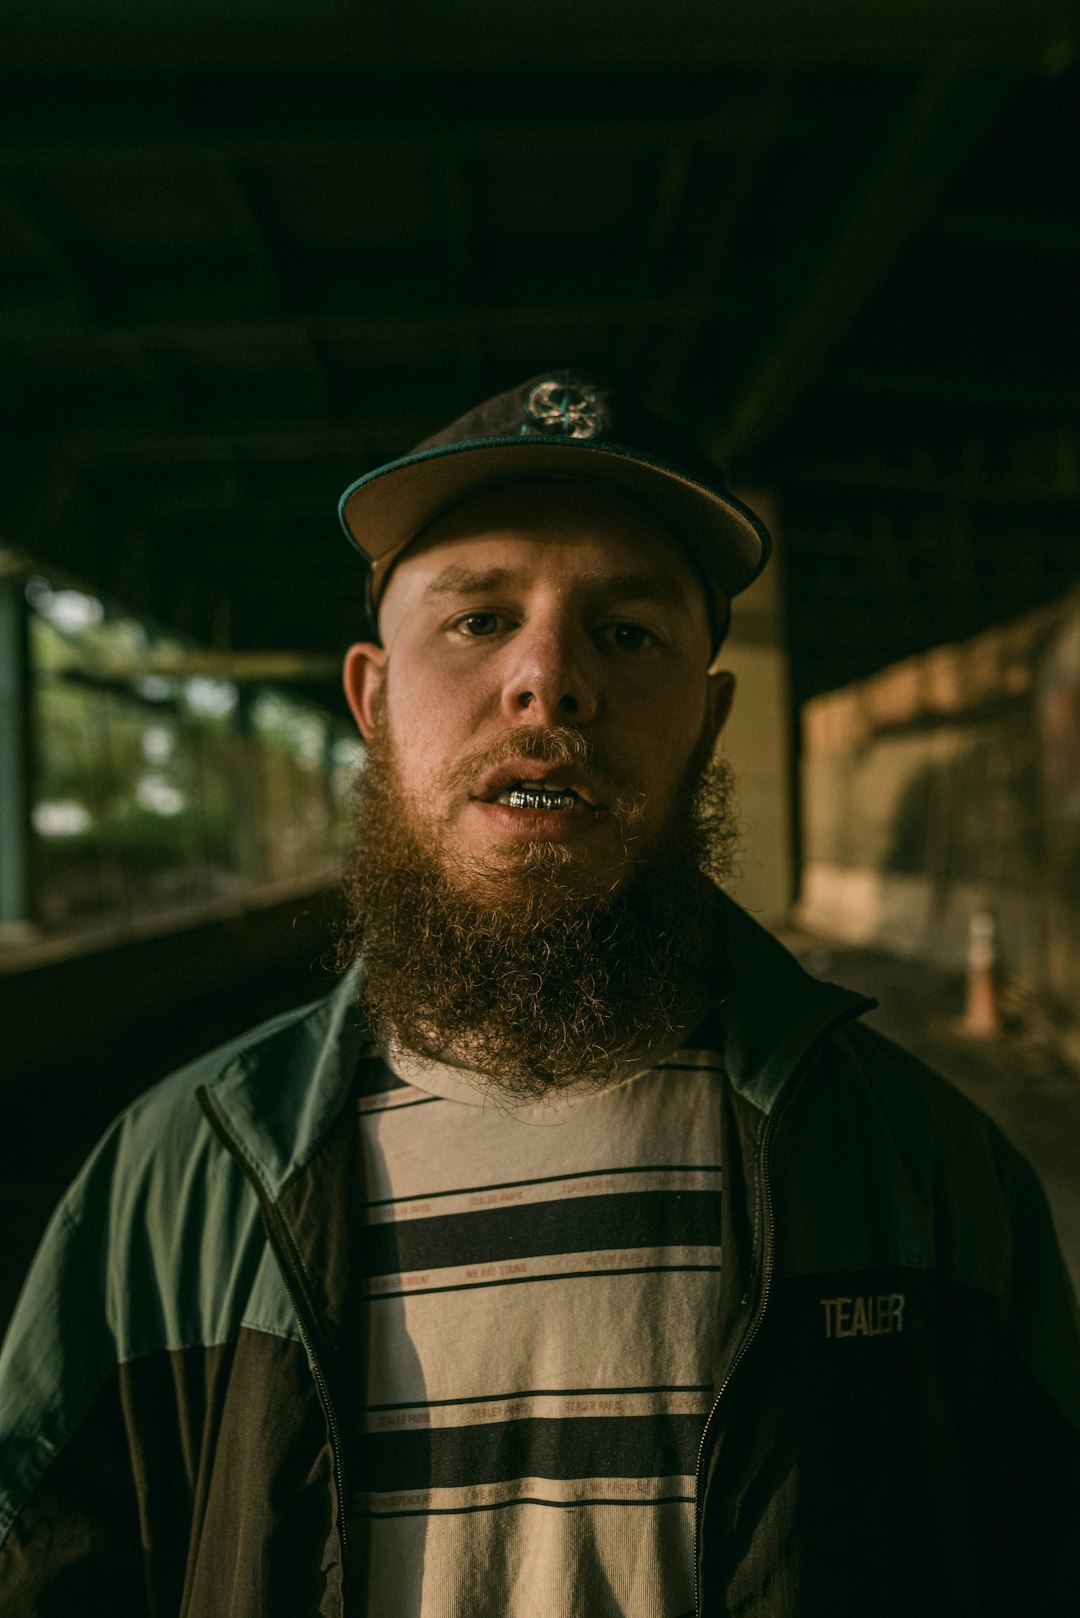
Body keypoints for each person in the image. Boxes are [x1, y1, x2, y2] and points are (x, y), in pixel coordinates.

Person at [0, 370, 1077, 1618]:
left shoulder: (927, 1170)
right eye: (476, 621)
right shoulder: (174, 1183)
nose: (549, 682)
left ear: (710, 718)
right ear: (371, 700)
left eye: (628, 633)